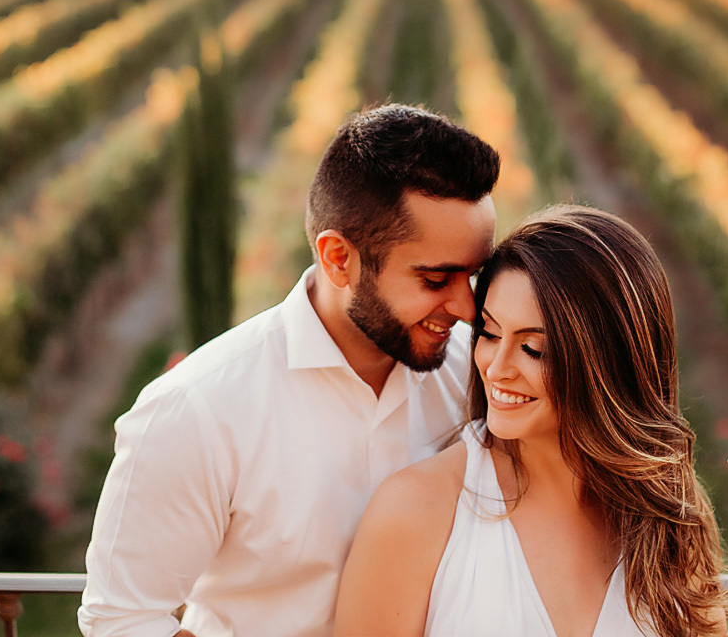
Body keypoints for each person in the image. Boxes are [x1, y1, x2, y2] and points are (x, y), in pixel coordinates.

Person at [78, 104, 501, 637]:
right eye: (436, 280)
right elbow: (121, 619)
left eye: (474, 276)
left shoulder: (482, 371)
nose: (467, 308)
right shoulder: (197, 410)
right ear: (338, 258)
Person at [334, 205, 728, 637]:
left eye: (533, 348)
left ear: (607, 361)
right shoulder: (416, 512)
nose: (497, 368)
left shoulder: (664, 513)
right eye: (489, 333)